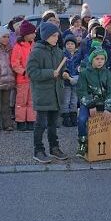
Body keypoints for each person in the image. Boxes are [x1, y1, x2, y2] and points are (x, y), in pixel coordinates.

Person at [76, 48, 111, 157]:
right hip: (90, 103)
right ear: (92, 59)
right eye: (97, 59)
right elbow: (81, 91)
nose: (100, 61)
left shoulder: (107, 73)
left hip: (104, 102)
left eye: (102, 59)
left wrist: (108, 108)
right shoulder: (84, 73)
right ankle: (82, 143)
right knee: (82, 119)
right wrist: (90, 105)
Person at [26, 21, 70, 163]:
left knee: (53, 124)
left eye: (57, 35)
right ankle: (38, 150)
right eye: (52, 36)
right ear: (45, 37)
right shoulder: (36, 52)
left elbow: (60, 70)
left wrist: (64, 73)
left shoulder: (58, 51)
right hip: (43, 94)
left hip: (56, 94)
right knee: (41, 124)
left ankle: (54, 147)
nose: (56, 38)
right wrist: (51, 73)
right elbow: (32, 73)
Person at [11, 21, 37, 131]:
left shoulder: (34, 45)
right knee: (21, 101)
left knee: (32, 101)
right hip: (22, 79)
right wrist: (24, 72)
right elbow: (15, 63)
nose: (35, 35)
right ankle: (20, 121)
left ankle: (31, 120)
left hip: (33, 79)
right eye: (33, 33)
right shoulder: (18, 46)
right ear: (26, 34)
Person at [61, 35, 82, 128]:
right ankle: (65, 117)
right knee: (66, 99)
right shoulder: (63, 54)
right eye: (68, 44)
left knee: (74, 99)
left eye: (72, 44)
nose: (70, 46)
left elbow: (82, 64)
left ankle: (73, 116)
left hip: (76, 80)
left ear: (75, 45)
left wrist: (80, 68)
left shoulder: (78, 54)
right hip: (66, 80)